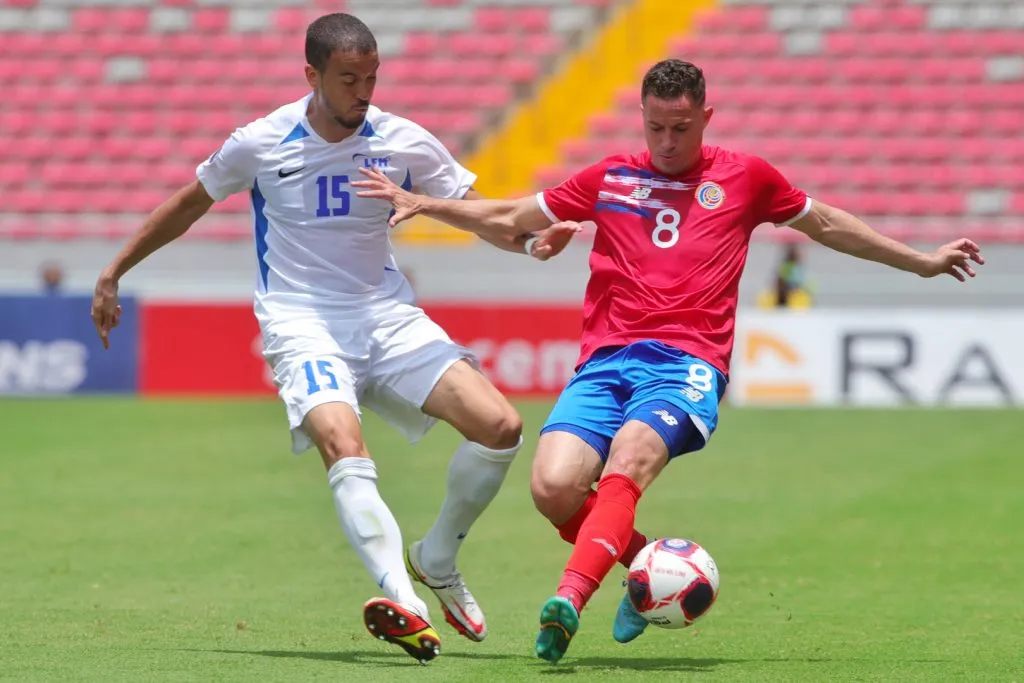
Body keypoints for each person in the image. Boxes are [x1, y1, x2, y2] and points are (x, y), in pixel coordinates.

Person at [352, 58, 985, 663]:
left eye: (681, 128)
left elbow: (829, 226)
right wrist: (429, 204)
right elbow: (513, 213)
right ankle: (649, 574)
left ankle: (568, 600)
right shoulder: (608, 178)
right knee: (552, 488)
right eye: (656, 126)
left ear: (707, 117)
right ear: (643, 116)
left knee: (628, 459)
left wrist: (921, 259)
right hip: (605, 361)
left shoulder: (748, 177)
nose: (667, 140)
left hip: (686, 362)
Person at [89, 13, 571, 664]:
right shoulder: (260, 142)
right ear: (312, 76)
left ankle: (436, 555)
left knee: (502, 426)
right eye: (349, 79)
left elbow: (482, 214)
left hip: (386, 315)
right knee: (344, 443)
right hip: (301, 322)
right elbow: (190, 202)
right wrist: (115, 269)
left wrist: (533, 242)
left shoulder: (402, 141)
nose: (364, 92)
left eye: (372, 77)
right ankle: (405, 599)